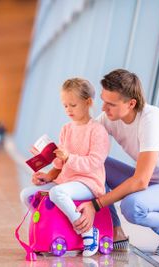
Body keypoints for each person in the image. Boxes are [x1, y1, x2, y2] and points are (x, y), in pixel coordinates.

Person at [70, 69, 159, 256]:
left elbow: (140, 181)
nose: (103, 109)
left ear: (131, 103)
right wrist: (52, 168)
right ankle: (116, 232)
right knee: (98, 164)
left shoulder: (151, 121)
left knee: (131, 206)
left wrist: (95, 204)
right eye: (103, 100)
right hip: (152, 180)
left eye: (111, 104)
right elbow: (82, 144)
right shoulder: (111, 117)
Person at [20, 78, 110, 257]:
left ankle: (87, 231)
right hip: (65, 181)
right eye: (65, 106)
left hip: (88, 183)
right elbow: (60, 166)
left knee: (56, 193)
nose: (68, 110)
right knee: (27, 194)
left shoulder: (97, 130)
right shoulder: (66, 129)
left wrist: (69, 157)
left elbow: (94, 163)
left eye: (73, 105)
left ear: (88, 102)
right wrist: (48, 175)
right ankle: (53, 222)